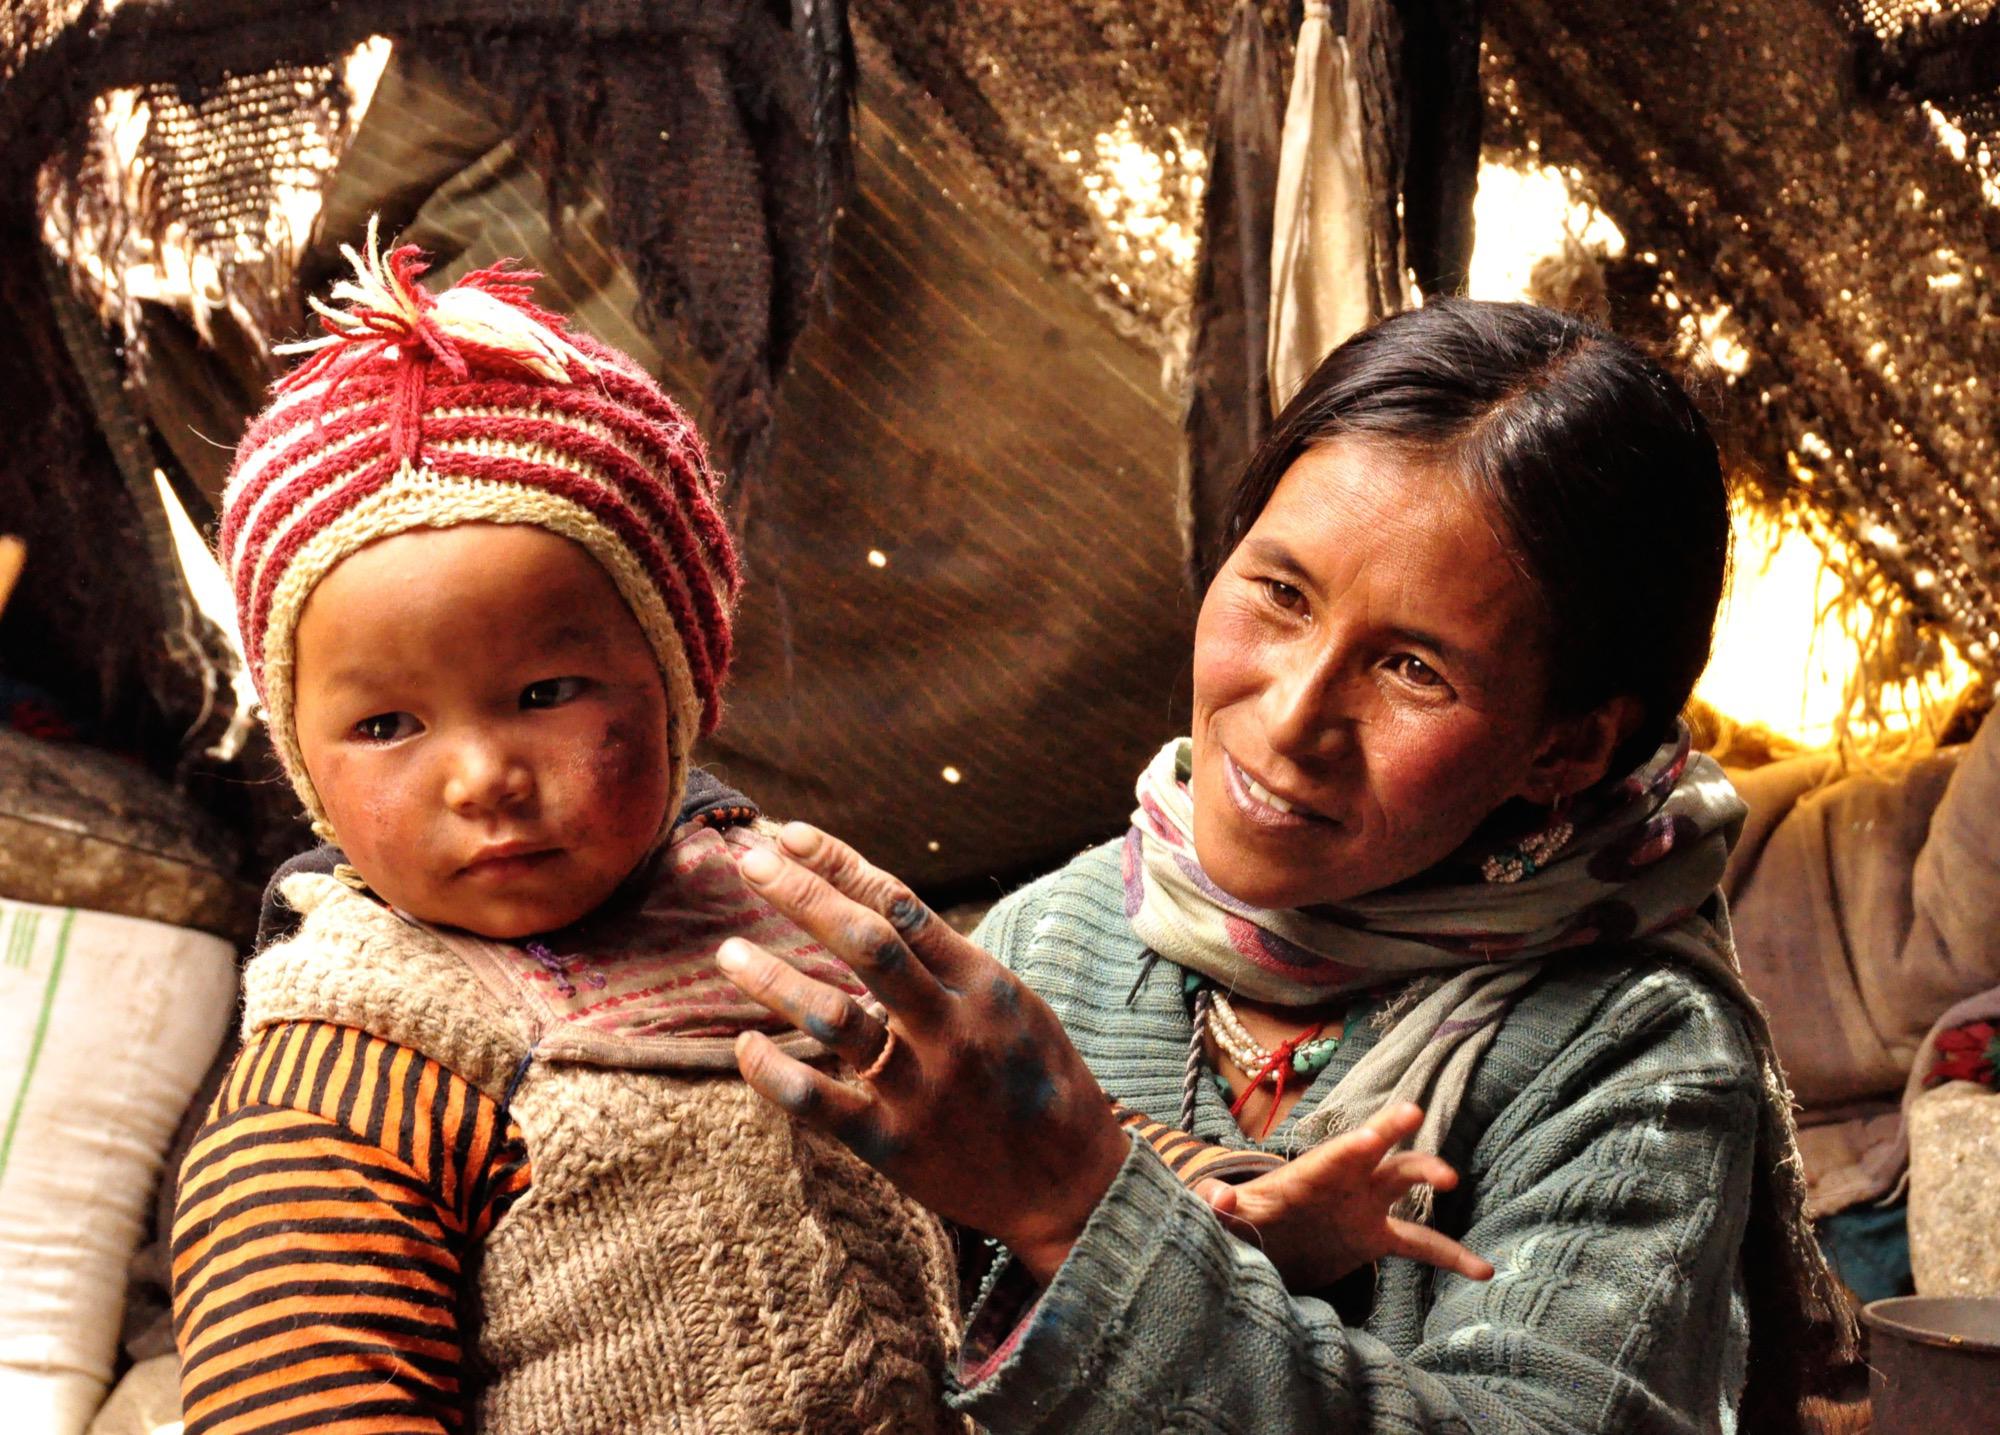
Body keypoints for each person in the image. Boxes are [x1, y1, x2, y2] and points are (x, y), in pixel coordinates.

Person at [716, 300, 1858, 1433]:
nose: (1291, 714)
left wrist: (1076, 1207)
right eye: (1279, 592)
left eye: (1413, 667)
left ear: (1563, 746)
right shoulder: (1047, 944)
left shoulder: (1629, 1055)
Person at [167, 227, 962, 1434]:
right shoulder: (350, 1078)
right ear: (304, 764)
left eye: (546, 694)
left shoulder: (791, 915)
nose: (482, 776)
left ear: (683, 682)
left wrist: (1219, 1203)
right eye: (387, 724)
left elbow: (1026, 1144)